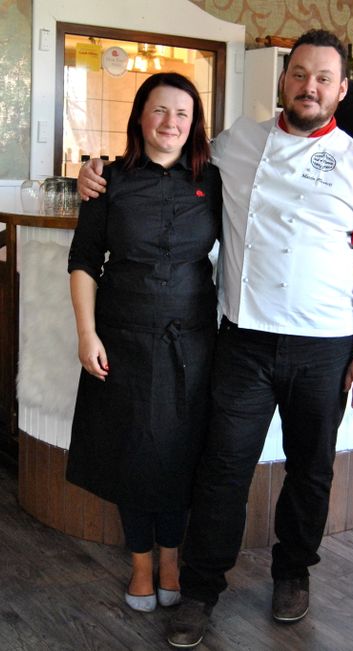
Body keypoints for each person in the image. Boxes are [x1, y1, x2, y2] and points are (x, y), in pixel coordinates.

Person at [78, 29, 353, 649]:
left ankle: (293, 572)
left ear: (341, 90)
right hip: (243, 340)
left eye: (323, 78)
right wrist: (97, 171)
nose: (309, 87)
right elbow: (168, 150)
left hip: (325, 344)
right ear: (283, 79)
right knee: (222, 468)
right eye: (299, 74)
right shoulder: (237, 143)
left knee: (311, 469)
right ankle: (199, 591)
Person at [67, 72, 221, 615]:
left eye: (182, 113)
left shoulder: (213, 180)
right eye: (160, 110)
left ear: (194, 124)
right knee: (131, 453)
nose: (170, 123)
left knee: (181, 453)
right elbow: (84, 259)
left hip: (192, 342)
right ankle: (139, 564)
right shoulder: (107, 180)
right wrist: (86, 333)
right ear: (140, 116)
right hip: (122, 338)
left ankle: (171, 559)